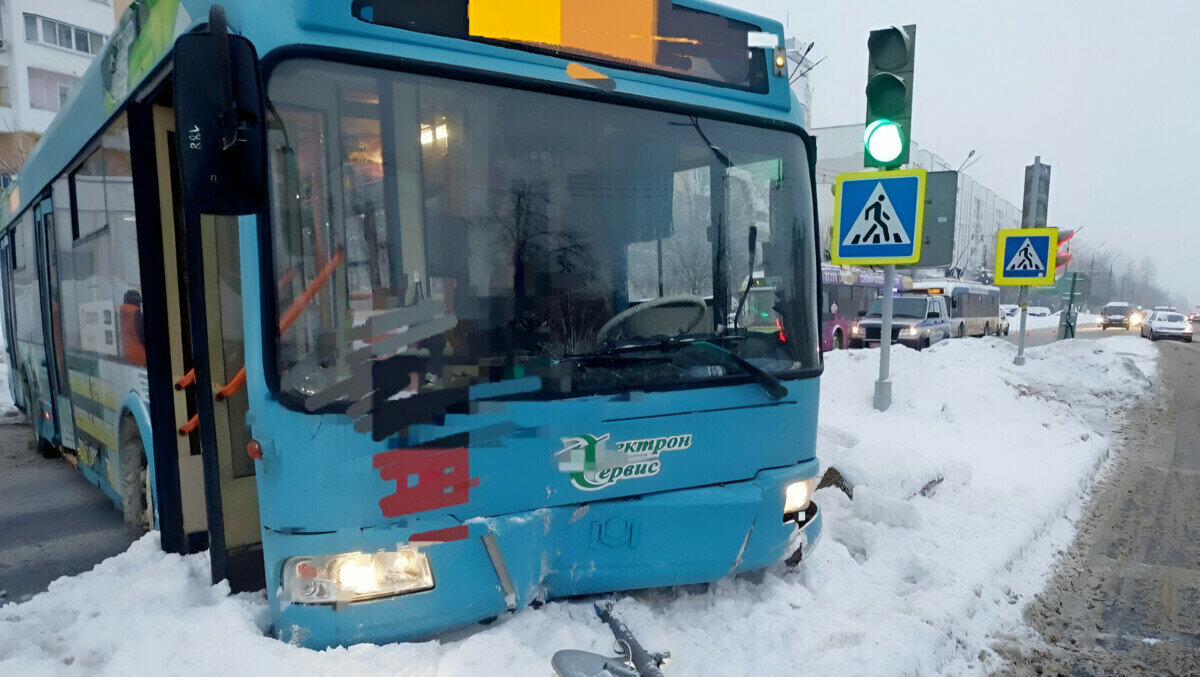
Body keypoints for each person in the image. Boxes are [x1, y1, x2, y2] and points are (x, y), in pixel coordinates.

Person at [119, 289, 146, 367]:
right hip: (140, 359)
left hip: (127, 356)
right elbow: (144, 336)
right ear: (136, 301)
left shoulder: (121, 312)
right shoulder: (136, 314)